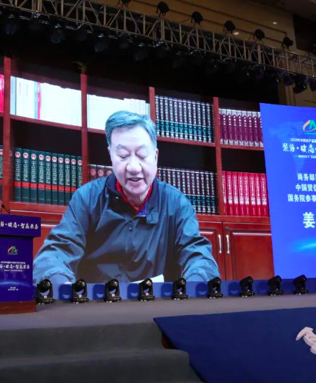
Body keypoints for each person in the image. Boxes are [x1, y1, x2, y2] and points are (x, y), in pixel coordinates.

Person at [33, 110, 220, 285]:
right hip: (96, 305)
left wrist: (195, 284)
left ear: (155, 156)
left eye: (142, 155)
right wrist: (62, 286)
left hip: (158, 305)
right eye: (123, 156)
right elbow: (55, 254)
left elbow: (198, 256)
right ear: (111, 156)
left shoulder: (176, 203)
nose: (134, 167)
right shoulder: (87, 199)